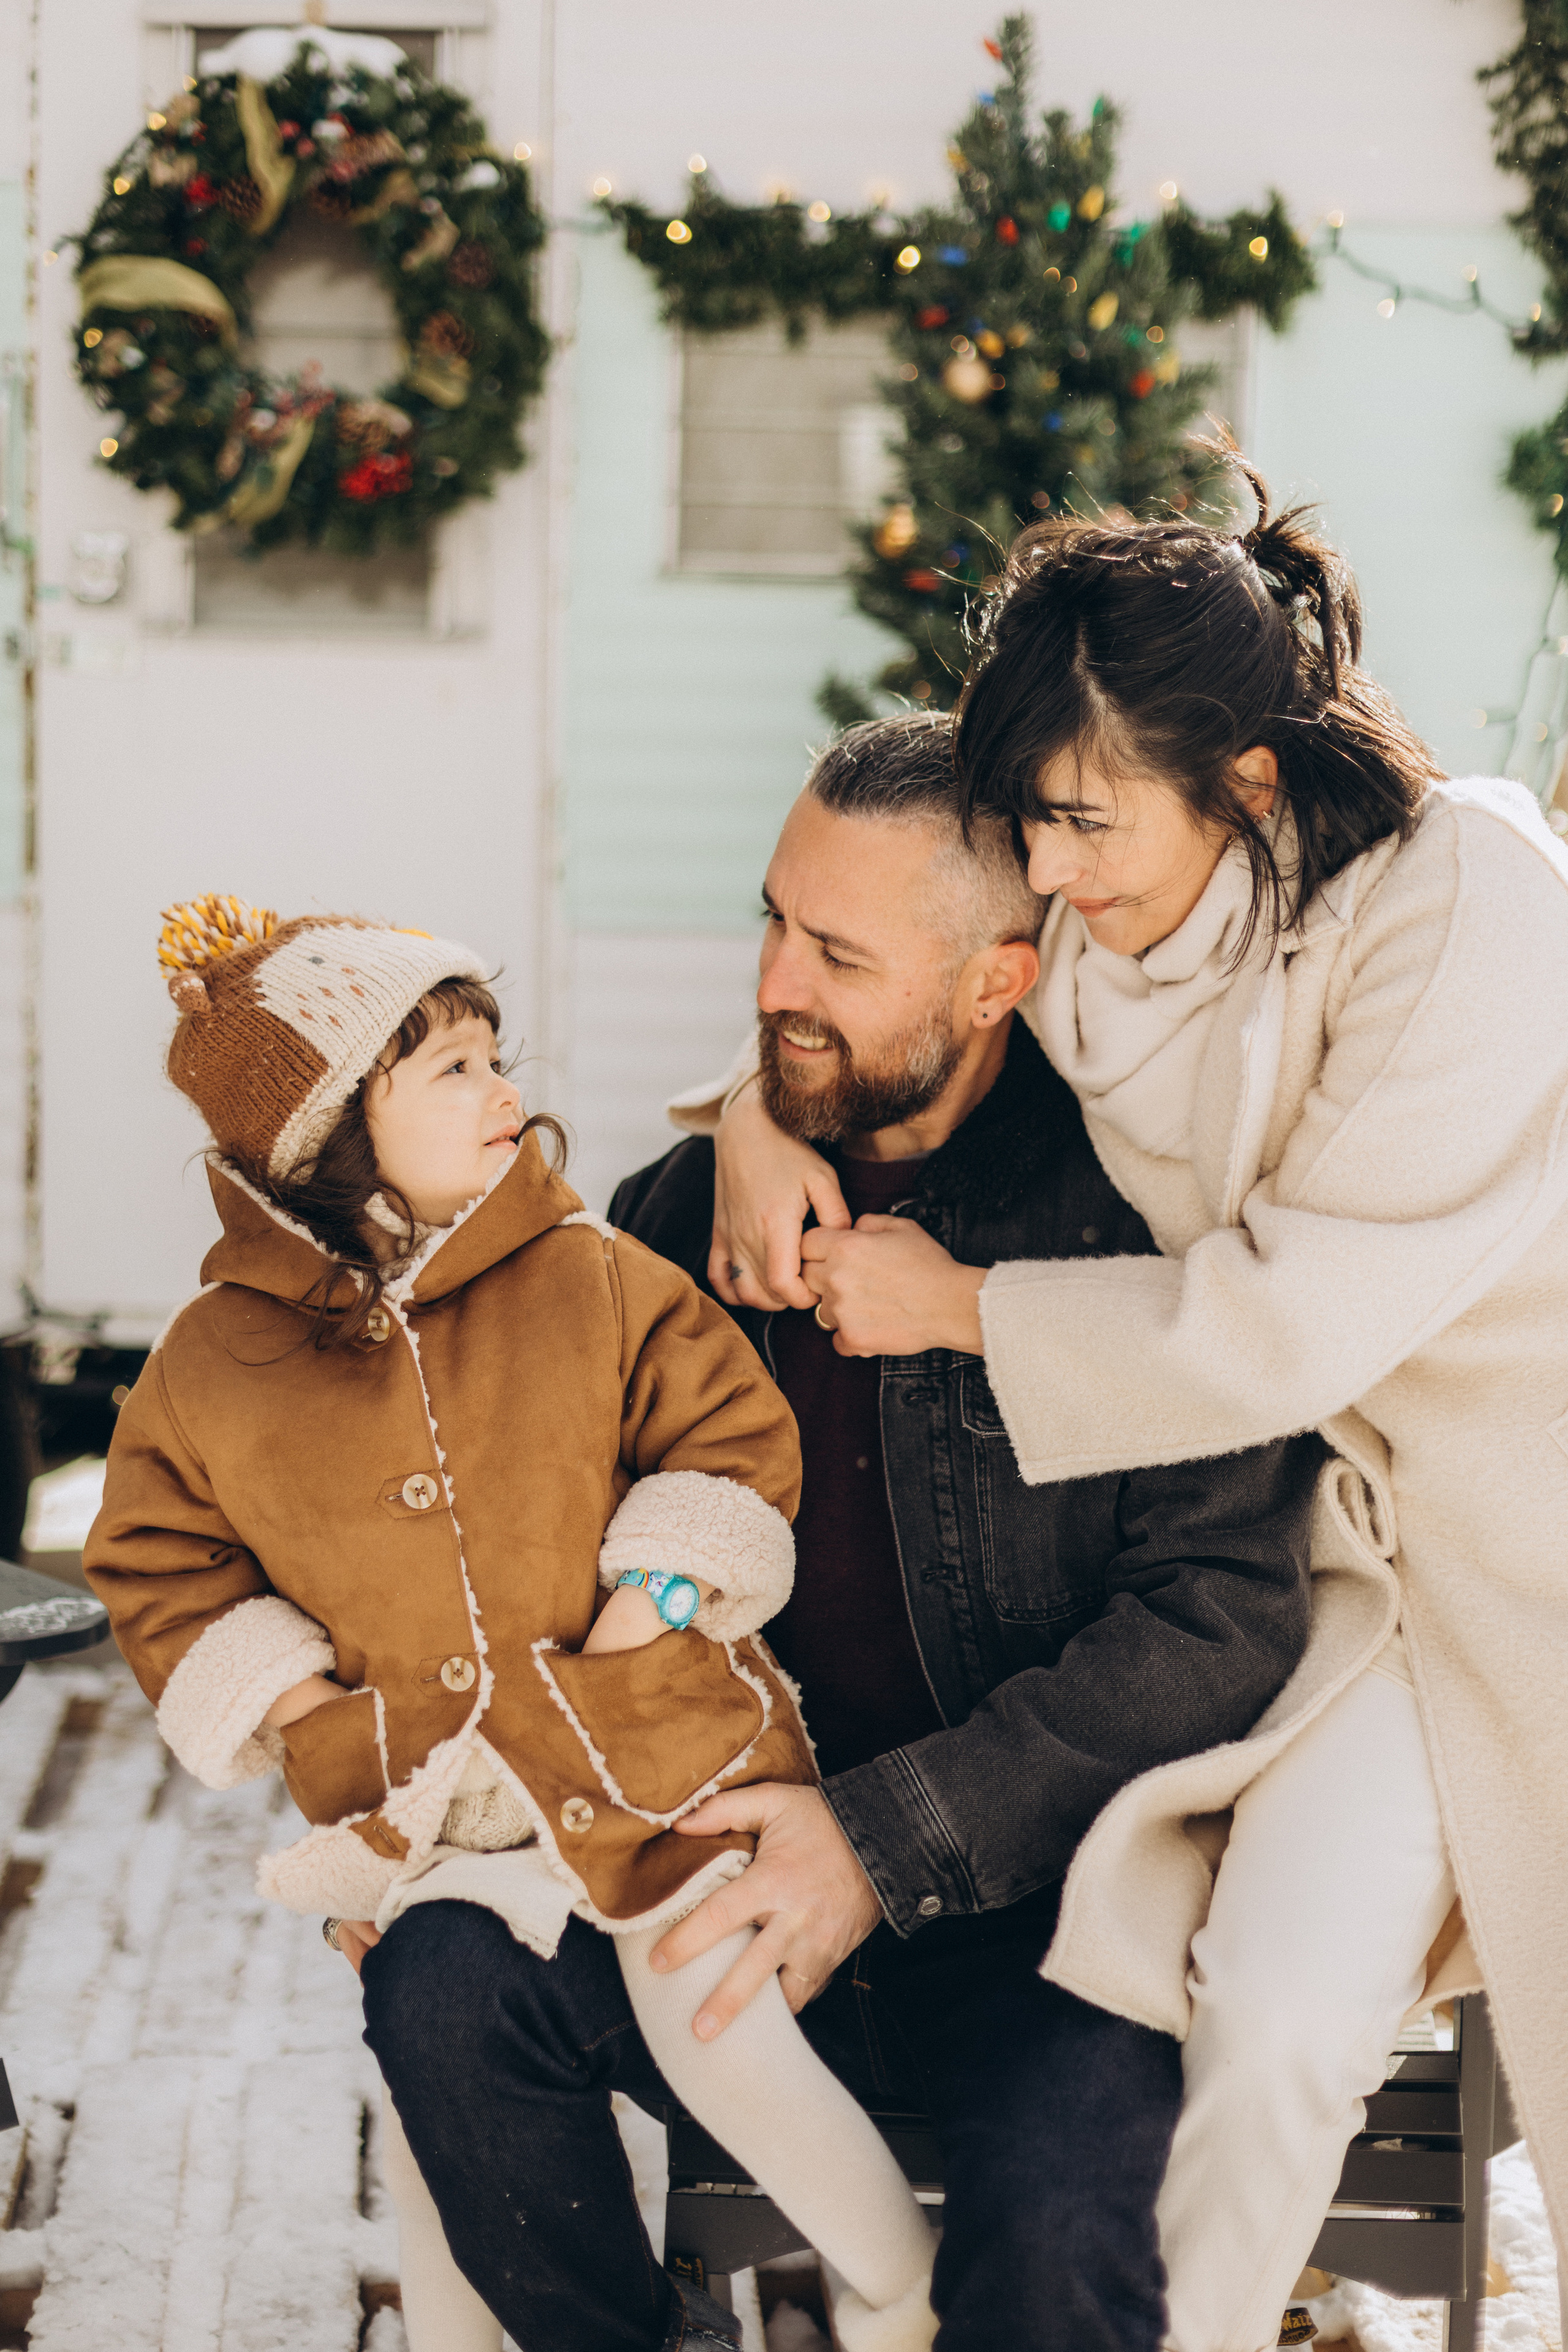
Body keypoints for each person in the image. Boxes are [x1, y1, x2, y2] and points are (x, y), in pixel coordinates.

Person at [697, 472, 1568, 2351]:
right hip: (1330, 1570)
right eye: (1034, 822)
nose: (1053, 867)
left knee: (1294, 2028)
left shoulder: (1473, 904)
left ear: (1248, 781)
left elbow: (1295, 1322)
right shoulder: (1118, 904)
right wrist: (757, 1119)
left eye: (1079, 821)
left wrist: (969, 1310)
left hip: (1515, 1561)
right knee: (1243, 2001)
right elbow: (916, 981)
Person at [82, 897, 941, 2352]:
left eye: (499, 1056)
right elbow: (158, 1557)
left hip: (665, 1760)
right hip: (435, 1808)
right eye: (454, 1071)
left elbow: (729, 1435)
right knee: (432, 2059)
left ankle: (901, 2285)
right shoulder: (215, 1363)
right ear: (331, 1132)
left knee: (706, 2010)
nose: (507, 1095)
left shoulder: (588, 1278)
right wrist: (300, 1711)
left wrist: (656, 1596)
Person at [612, 715, 1326, 2351]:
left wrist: (881, 1841)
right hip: (714, 1872)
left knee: (1065, 2227)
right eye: (775, 921)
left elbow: (1215, 1618)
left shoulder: (1131, 1224)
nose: (778, 981)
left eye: (840, 954)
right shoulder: (680, 1216)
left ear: (998, 982)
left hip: (1039, 1907)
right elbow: (535, 1538)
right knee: (454, 1999)